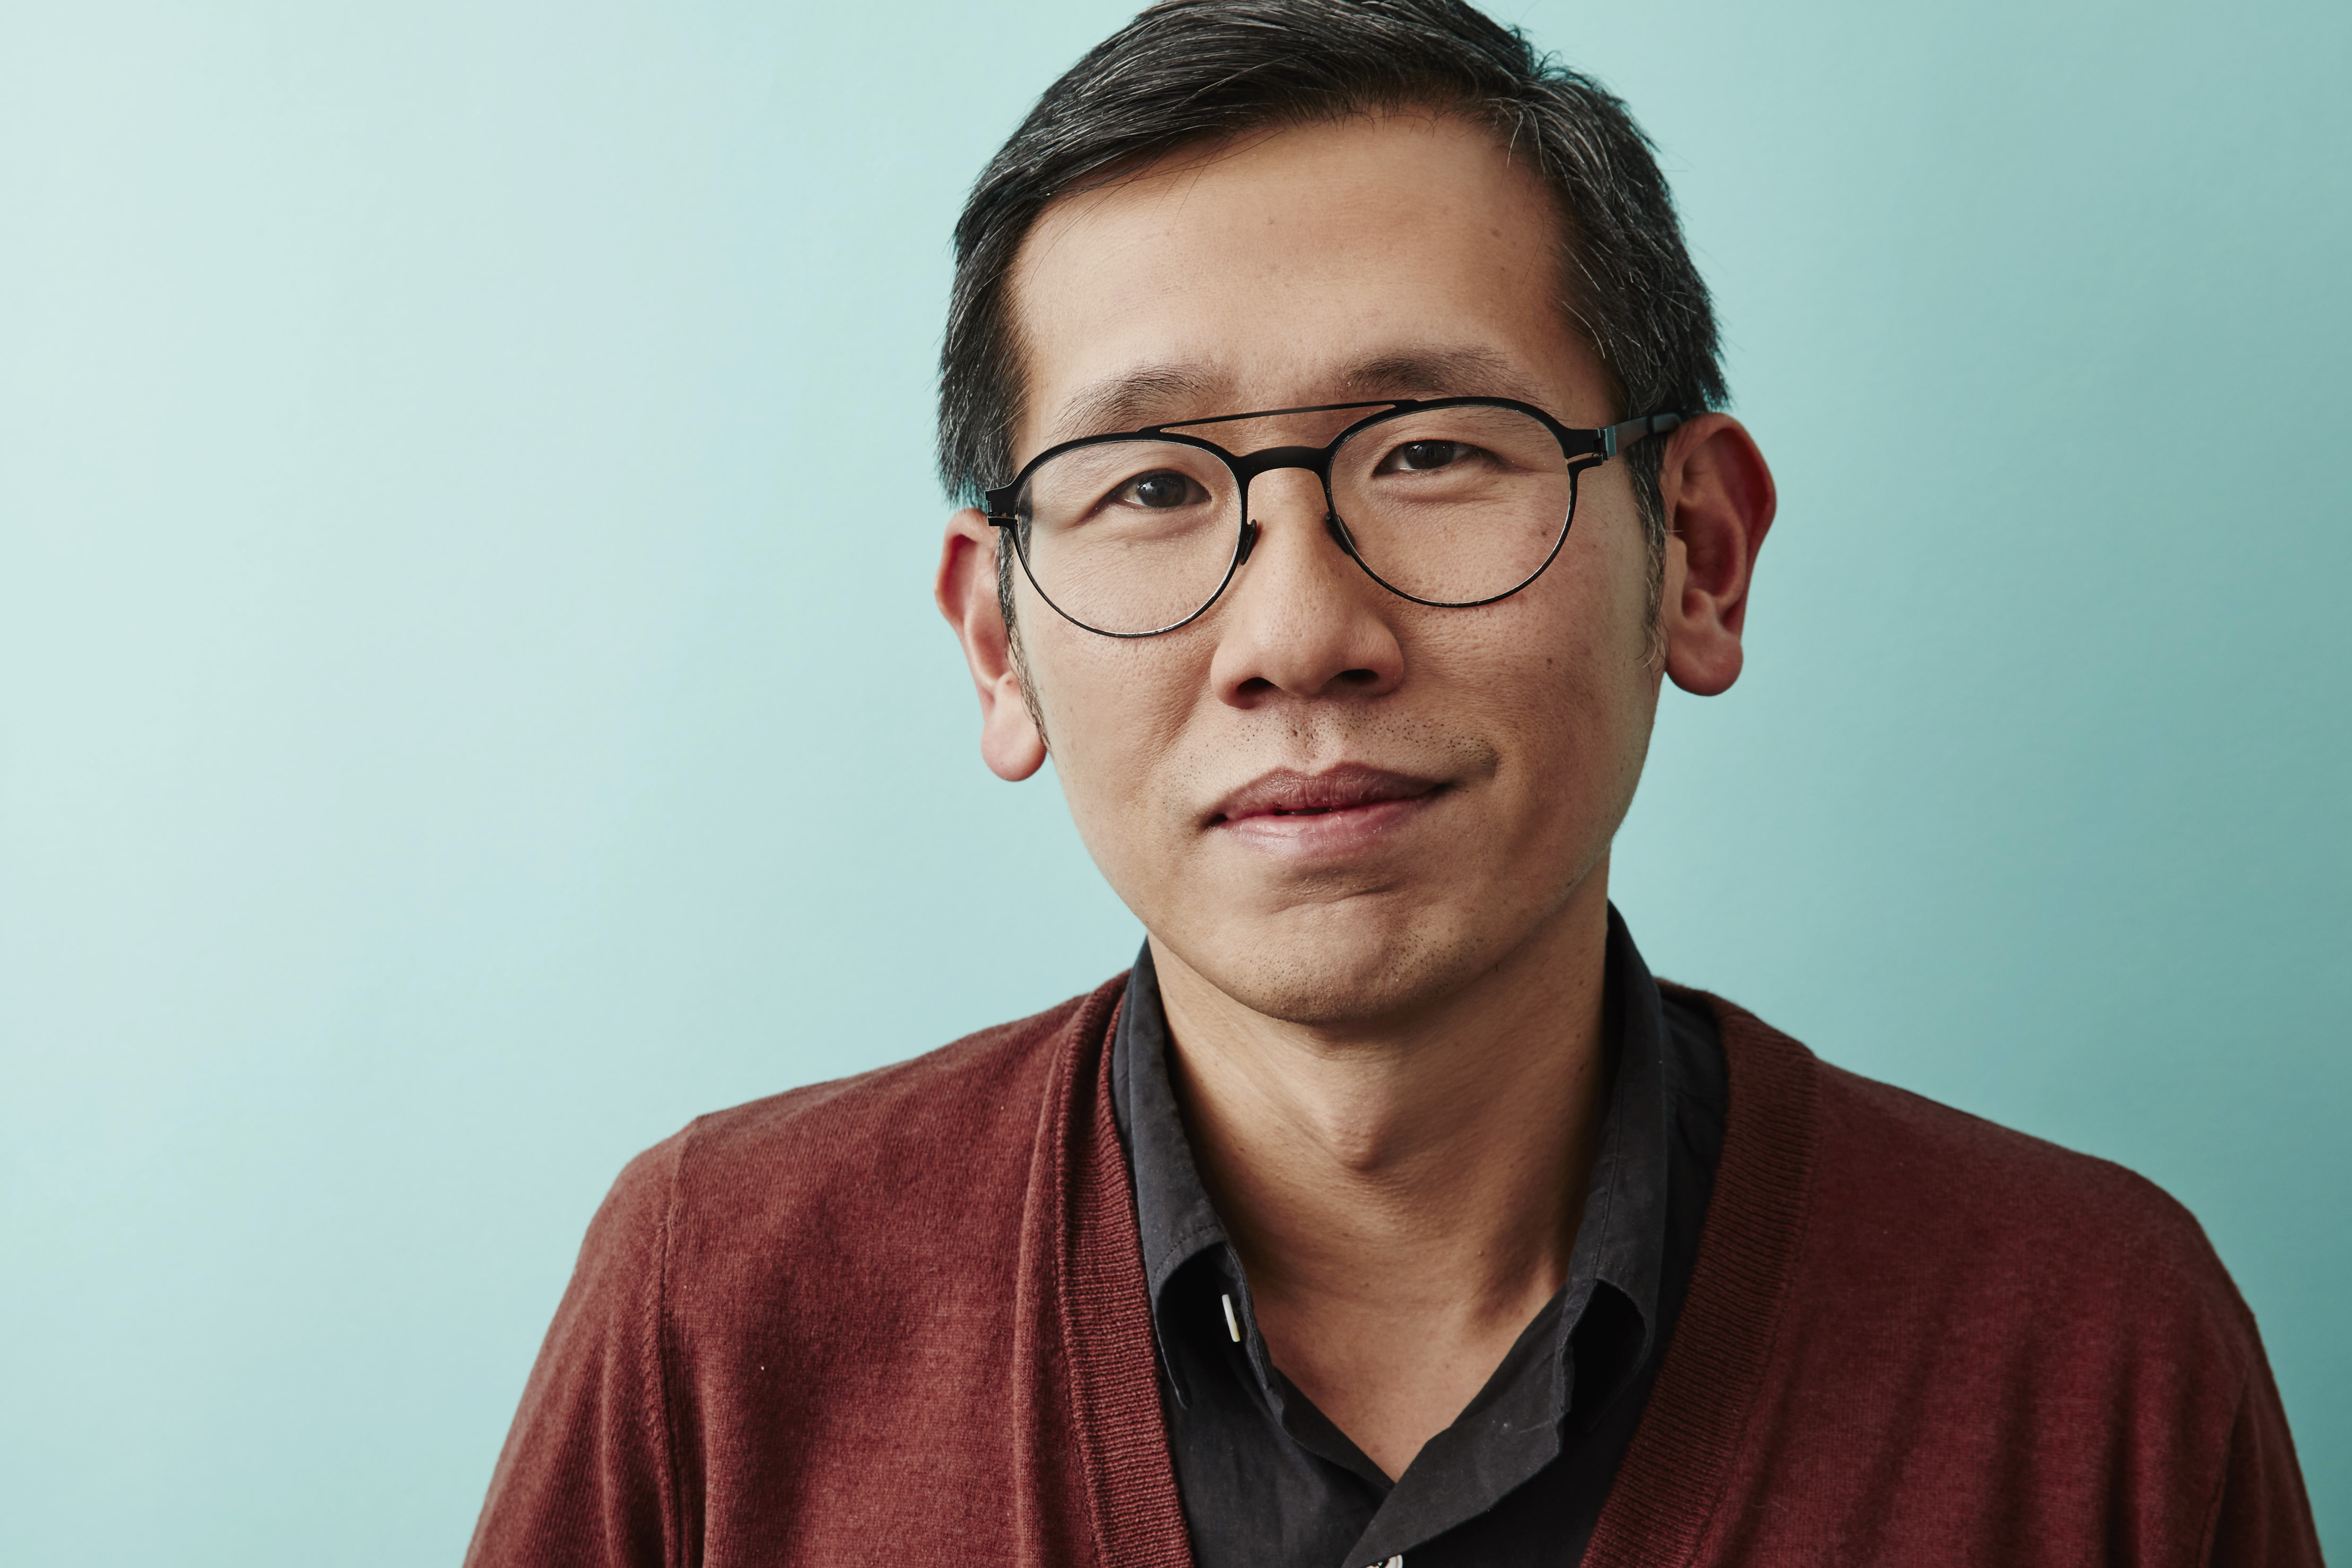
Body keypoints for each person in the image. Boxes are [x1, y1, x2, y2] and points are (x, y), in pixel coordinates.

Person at [466, 2, 2321, 1563]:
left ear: (1697, 551)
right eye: (1150, 485)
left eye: (1433, 449)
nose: (1296, 628)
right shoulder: (721, 1311)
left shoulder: (2089, 1357)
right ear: (994, 640)